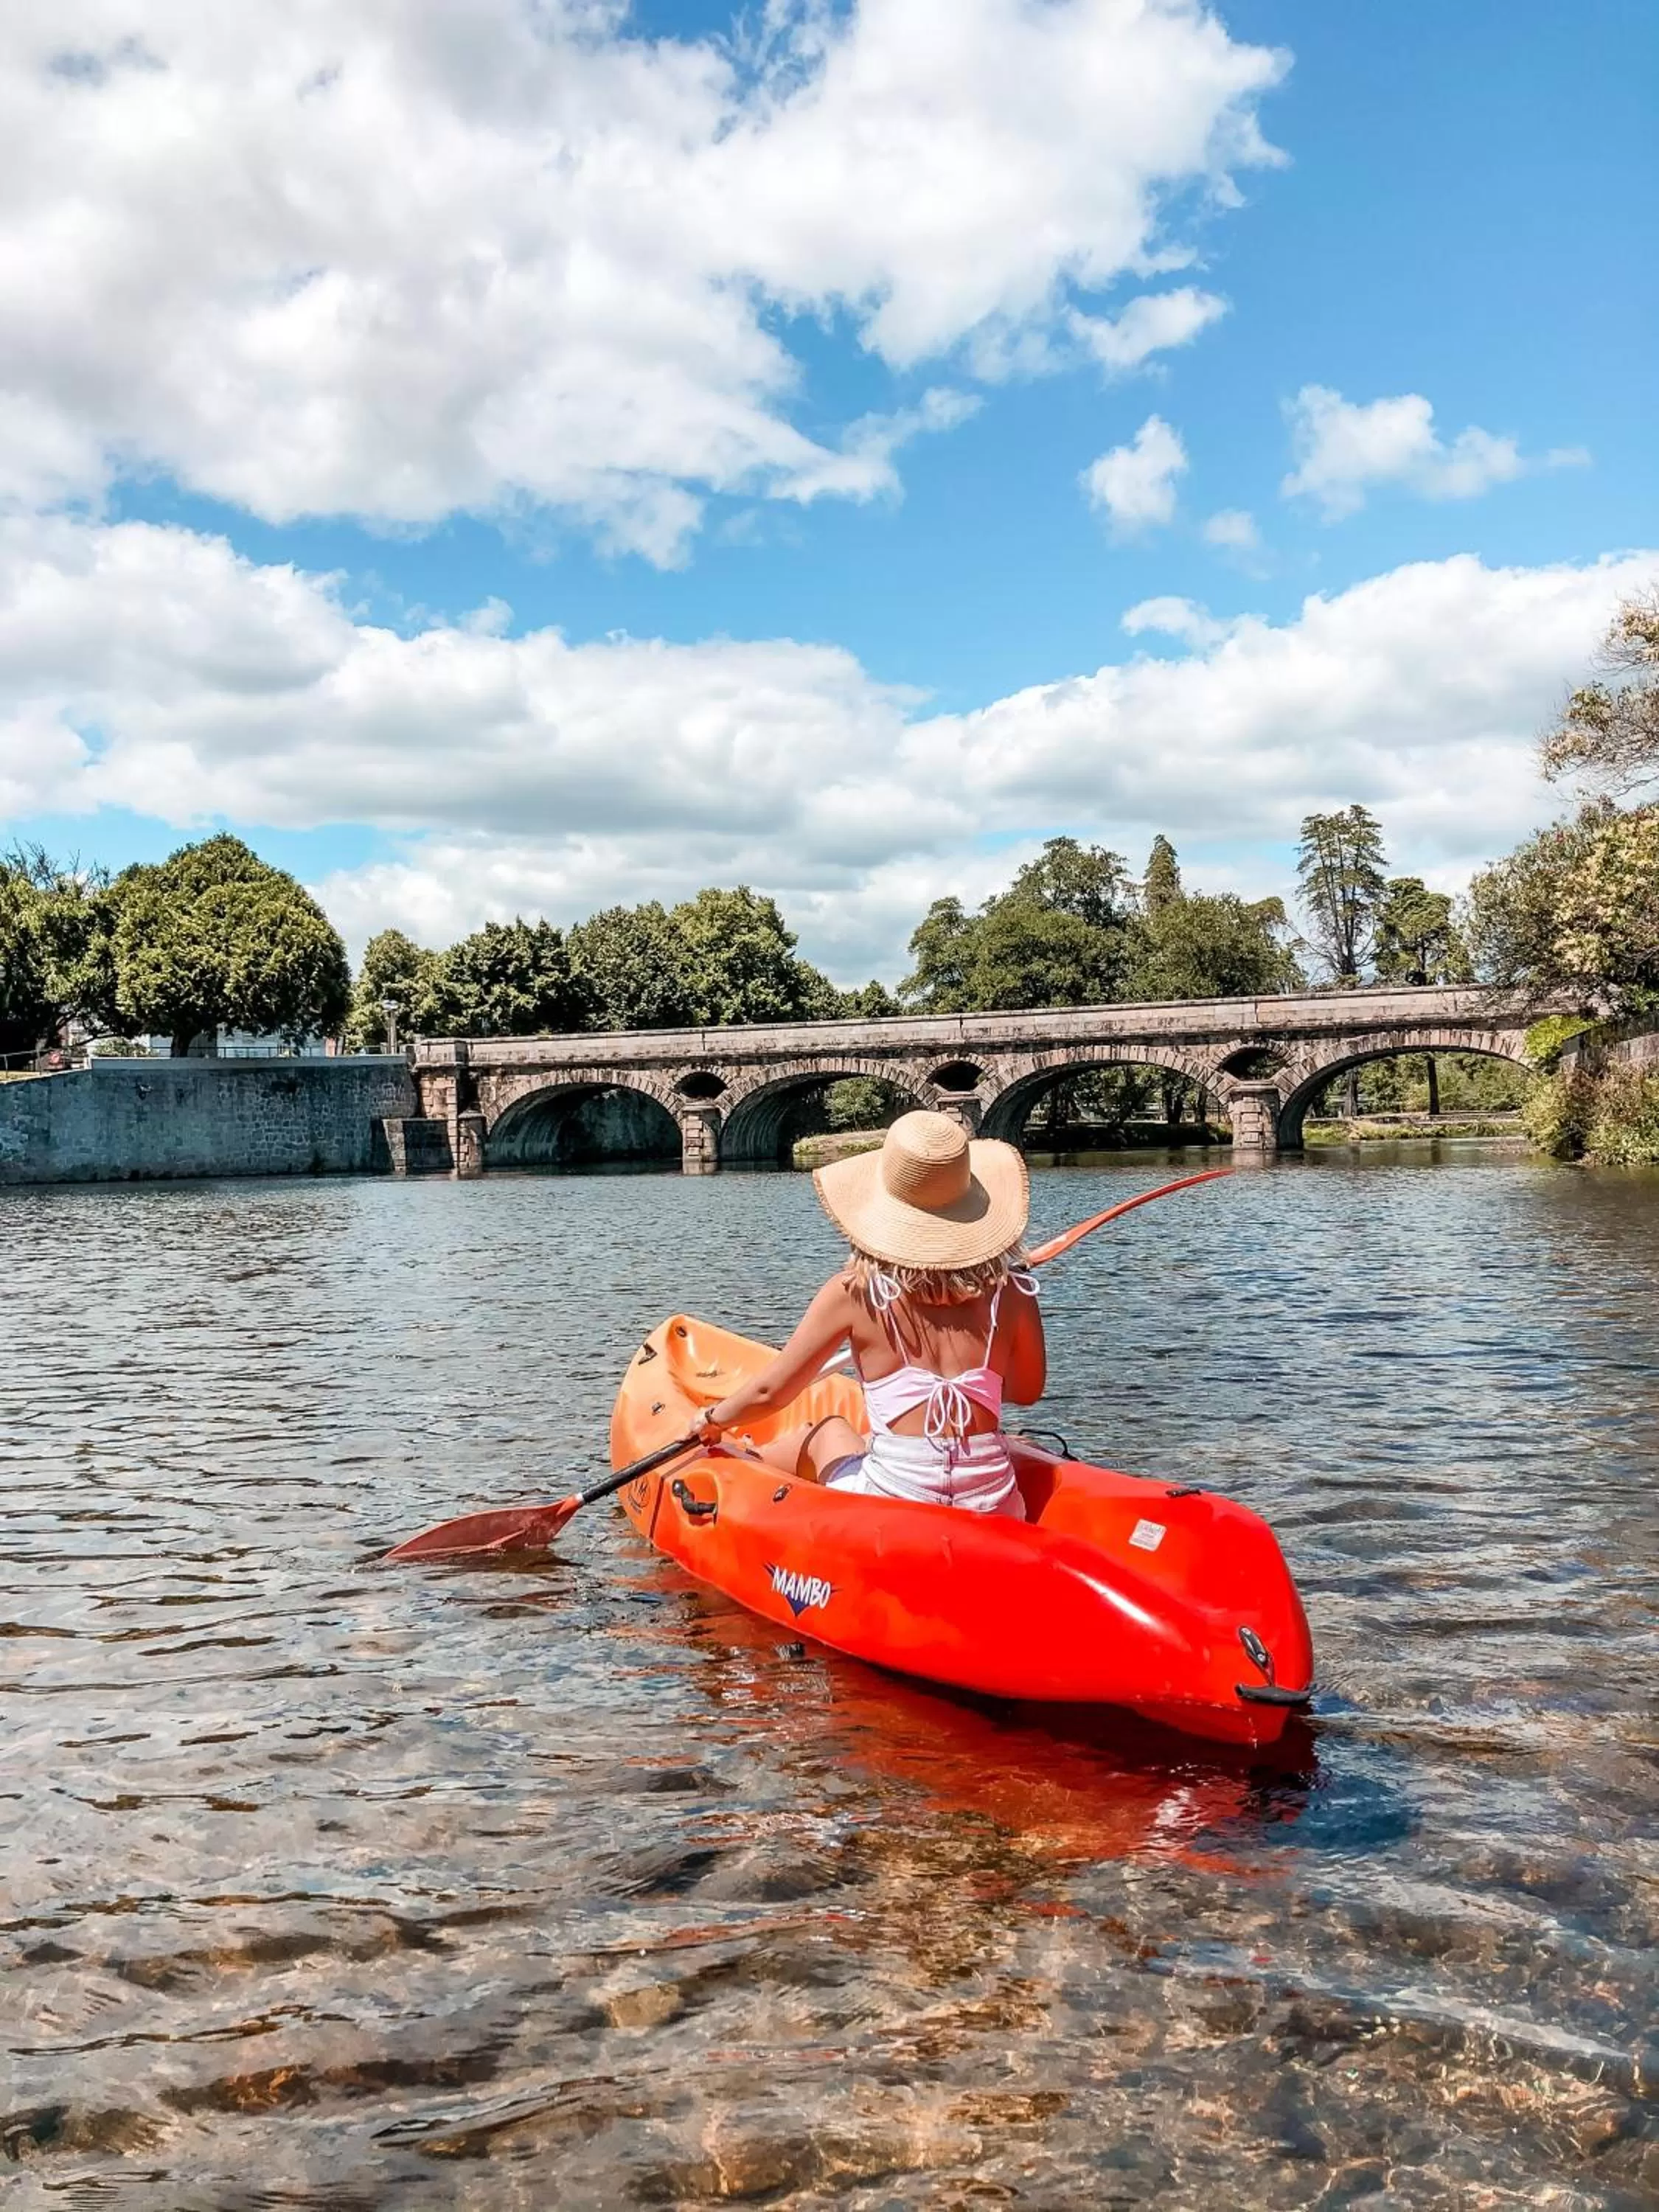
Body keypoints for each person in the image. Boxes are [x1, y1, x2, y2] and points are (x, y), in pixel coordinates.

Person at [698, 1110, 1046, 1517]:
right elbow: (1025, 1390)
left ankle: (744, 1468)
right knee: (861, 1438)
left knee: (824, 1432)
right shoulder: (1013, 1293)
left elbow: (770, 1393)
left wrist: (712, 1418)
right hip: (997, 1504)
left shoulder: (853, 1293)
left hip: (895, 1503)